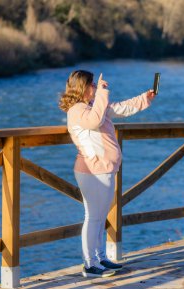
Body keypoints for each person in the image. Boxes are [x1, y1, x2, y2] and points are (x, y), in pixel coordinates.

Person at [58, 70, 156, 278]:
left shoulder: (93, 107)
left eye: (95, 84)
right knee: (93, 217)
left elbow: (120, 108)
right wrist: (102, 93)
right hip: (92, 170)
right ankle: (90, 265)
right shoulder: (77, 110)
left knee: (100, 217)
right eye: (92, 84)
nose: (95, 87)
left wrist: (143, 99)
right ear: (82, 87)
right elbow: (93, 122)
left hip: (104, 169)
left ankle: (100, 257)